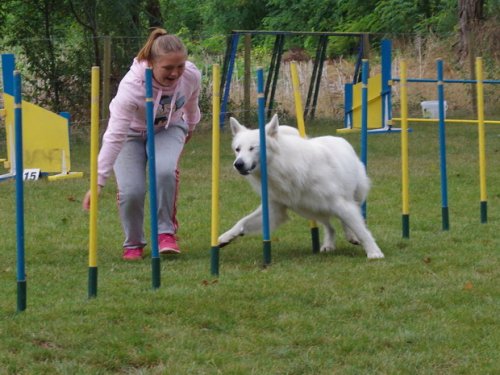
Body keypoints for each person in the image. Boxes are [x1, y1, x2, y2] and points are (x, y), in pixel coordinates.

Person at [82, 28, 201, 260]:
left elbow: (191, 104)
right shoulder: (131, 88)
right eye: (168, 68)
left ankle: (165, 234)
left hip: (169, 128)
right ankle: (133, 243)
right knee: (132, 190)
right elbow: (114, 135)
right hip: (130, 135)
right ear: (151, 63)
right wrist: (98, 181)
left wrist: (191, 126)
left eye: (180, 66)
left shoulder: (191, 76)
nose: (175, 73)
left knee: (165, 170)